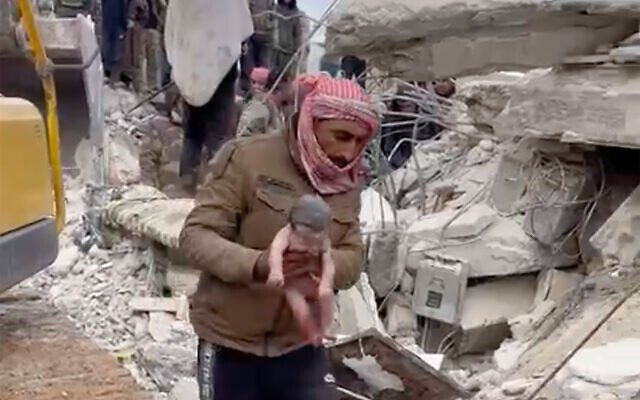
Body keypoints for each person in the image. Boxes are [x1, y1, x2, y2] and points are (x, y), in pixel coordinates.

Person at [179, 74, 381, 400]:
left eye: (360, 142)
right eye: (341, 136)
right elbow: (196, 236)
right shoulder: (247, 158)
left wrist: (323, 263)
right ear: (309, 120)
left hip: (299, 346)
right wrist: (260, 264)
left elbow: (353, 254)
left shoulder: (347, 182)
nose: (348, 152)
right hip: (232, 344)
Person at [164, 0, 253, 194]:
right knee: (218, 134)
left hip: (190, 71)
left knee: (192, 134)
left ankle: (187, 186)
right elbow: (244, 29)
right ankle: (213, 189)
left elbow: (171, 32)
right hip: (222, 68)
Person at [380, 79, 456, 169]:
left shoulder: (427, 120)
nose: (404, 103)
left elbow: (436, 141)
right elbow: (392, 155)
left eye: (408, 104)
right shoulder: (391, 125)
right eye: (401, 101)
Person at [237, 67, 290, 138]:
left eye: (261, 83)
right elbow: (244, 134)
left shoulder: (273, 105)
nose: (256, 86)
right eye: (253, 82)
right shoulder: (259, 107)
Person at [241, 0, 276, 96]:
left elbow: (273, 15)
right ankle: (246, 95)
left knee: (263, 71)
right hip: (250, 36)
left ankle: (261, 96)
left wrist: (270, 26)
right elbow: (244, 12)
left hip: (265, 38)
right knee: (248, 69)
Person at [127, 0, 161, 93]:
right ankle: (140, 86)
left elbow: (159, 11)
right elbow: (131, 12)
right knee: (140, 59)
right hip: (141, 30)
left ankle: (153, 86)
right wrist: (133, 23)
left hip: (153, 29)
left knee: (153, 59)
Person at [273, 0, 304, 75]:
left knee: (286, 77)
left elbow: (297, 34)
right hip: (274, 49)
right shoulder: (274, 10)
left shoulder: (295, 14)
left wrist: (298, 50)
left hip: (288, 51)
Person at [101, 0, 128, 83]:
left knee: (111, 46)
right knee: (110, 46)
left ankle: (108, 71)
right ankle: (107, 70)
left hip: (112, 19)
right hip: (112, 19)